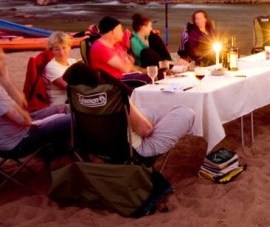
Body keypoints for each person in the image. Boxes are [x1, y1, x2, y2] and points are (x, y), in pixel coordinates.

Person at [63, 63, 195, 158]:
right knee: (185, 111)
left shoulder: (78, 100)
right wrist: (147, 129)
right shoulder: (113, 95)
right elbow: (146, 131)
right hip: (135, 151)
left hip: (100, 148)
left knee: (148, 112)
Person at [0, 44, 70, 155]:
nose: (4, 63)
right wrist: (6, 80)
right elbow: (25, 120)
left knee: (63, 108)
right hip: (17, 142)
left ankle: (60, 149)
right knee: (76, 118)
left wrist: (4, 81)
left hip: (1, 136)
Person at [89, 16, 145, 80]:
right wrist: (129, 63)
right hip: (116, 82)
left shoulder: (115, 45)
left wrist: (142, 71)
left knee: (155, 73)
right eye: (120, 30)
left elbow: (130, 63)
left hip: (127, 77)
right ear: (113, 31)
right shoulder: (101, 48)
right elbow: (126, 68)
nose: (122, 33)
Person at [43, 31, 78, 106]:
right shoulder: (51, 67)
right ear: (51, 51)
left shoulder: (73, 62)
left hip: (76, 100)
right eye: (57, 49)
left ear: (70, 47)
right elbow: (69, 88)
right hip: (61, 105)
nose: (61, 53)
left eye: (64, 48)